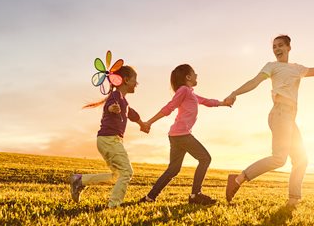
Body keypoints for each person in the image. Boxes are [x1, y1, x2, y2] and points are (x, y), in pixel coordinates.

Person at [224, 35, 314, 206]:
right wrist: (234, 93)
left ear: (289, 47)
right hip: (279, 113)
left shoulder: (297, 69)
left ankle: (293, 201)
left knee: (301, 159)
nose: (277, 49)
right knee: (279, 158)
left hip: (289, 117)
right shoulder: (271, 66)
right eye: (274, 46)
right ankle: (238, 179)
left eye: (280, 45)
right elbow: (254, 82)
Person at [139, 64, 232, 205]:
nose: (197, 75)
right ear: (188, 77)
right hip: (182, 135)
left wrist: (223, 103)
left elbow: (207, 101)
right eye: (194, 73)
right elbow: (169, 107)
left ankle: (149, 198)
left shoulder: (191, 93)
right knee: (205, 158)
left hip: (176, 135)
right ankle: (195, 195)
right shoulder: (184, 90)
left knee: (173, 169)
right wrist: (149, 122)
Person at [70, 65, 149, 208]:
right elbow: (110, 105)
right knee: (127, 172)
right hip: (109, 139)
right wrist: (112, 108)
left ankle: (80, 181)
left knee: (117, 176)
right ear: (125, 80)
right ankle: (114, 205)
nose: (136, 84)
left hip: (108, 140)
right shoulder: (115, 96)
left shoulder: (123, 100)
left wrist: (141, 124)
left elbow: (131, 114)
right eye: (135, 81)